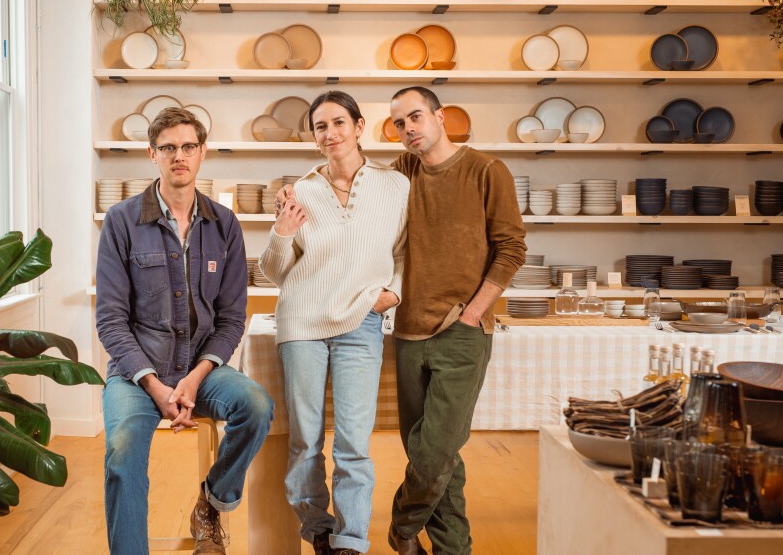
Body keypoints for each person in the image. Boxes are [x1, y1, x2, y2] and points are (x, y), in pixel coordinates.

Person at [276, 86, 527, 554]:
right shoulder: (400, 173)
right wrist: (293, 204)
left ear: (440, 116)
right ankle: (452, 548)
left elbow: (512, 248)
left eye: (416, 117)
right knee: (431, 452)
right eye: (399, 123)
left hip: (460, 327)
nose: (408, 128)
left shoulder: (485, 170)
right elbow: (364, 210)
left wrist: (473, 313)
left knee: (436, 449)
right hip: (408, 330)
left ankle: (400, 528)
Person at [96, 107, 274, 555]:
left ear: (202, 152)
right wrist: (154, 386)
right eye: (169, 148)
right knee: (121, 452)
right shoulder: (121, 221)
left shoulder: (224, 224)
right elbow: (110, 320)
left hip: (202, 370)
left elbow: (231, 318)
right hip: (136, 375)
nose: (180, 156)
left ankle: (211, 504)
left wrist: (194, 378)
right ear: (152, 154)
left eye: (188, 146)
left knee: (256, 406)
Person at [260, 90, 409, 555]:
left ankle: (350, 541)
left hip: (360, 323)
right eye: (320, 126)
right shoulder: (298, 192)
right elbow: (274, 272)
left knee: (353, 443)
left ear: (359, 127)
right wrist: (281, 232)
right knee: (305, 441)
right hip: (301, 323)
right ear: (313, 136)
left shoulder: (395, 186)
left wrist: (393, 293)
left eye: (339, 122)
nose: (330, 134)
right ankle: (319, 531)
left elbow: (405, 251)